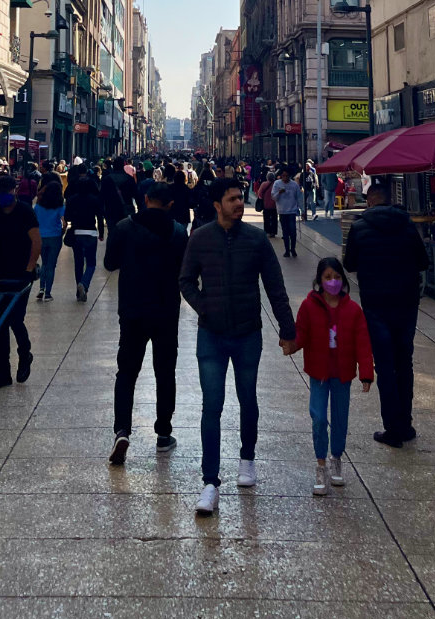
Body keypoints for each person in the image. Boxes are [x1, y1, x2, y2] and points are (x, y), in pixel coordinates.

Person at [179, 177, 296, 518]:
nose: (238, 203)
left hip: (247, 333)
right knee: (211, 405)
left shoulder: (256, 240)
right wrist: (204, 307)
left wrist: (288, 328)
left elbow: (275, 285)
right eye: (231, 199)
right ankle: (209, 482)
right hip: (211, 335)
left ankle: (247, 459)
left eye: (239, 198)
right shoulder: (201, 238)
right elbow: (185, 280)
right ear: (217, 205)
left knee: (248, 397)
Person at [105, 179, 187, 464]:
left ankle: (122, 431)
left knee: (126, 373)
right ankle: (163, 433)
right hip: (166, 311)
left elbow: (109, 263)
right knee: (165, 372)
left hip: (132, 310)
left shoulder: (124, 227)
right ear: (170, 204)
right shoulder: (178, 232)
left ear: (146, 198)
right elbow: (186, 271)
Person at [342, 177, 428, 447]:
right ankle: (406, 424)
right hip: (406, 301)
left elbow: (349, 264)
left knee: (385, 365)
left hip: (376, 303)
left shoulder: (359, 227)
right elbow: (423, 261)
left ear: (369, 201)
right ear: (389, 201)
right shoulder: (407, 225)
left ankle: (392, 427)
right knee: (404, 362)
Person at [284, 256, 373, 495]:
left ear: (343, 280)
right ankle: (321, 464)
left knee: (340, 418)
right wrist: (291, 344)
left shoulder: (353, 310)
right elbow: (301, 333)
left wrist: (366, 373)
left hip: (343, 374)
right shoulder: (309, 306)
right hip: (319, 372)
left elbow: (363, 343)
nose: (332, 281)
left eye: (336, 277)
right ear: (319, 280)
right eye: (327, 277)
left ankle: (336, 458)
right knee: (319, 417)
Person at [0, 173, 41, 389]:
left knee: (16, 319)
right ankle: (3, 372)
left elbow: (36, 241)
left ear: (14, 191)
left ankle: (25, 354)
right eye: (0, 193)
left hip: (21, 275)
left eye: (6, 193)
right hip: (0, 274)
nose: (3, 197)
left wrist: (29, 269)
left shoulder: (25, 212)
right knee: (0, 324)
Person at [64, 167, 105, 301]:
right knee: (91, 263)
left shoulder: (72, 200)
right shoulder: (94, 200)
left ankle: (79, 290)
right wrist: (101, 233)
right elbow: (100, 217)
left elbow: (67, 217)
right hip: (91, 232)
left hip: (76, 232)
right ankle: (84, 284)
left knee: (78, 263)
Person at [34, 174, 65, 301]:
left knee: (44, 263)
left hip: (41, 236)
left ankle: (41, 288)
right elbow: (64, 222)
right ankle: (48, 293)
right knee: (51, 265)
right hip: (55, 236)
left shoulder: (38, 206)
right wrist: (62, 231)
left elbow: (33, 221)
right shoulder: (60, 206)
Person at [271, 167, 303, 257]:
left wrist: (302, 210)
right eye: (283, 176)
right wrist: (279, 193)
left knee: (293, 231)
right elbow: (273, 197)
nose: (285, 178)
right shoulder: (277, 184)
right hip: (282, 211)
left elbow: (299, 198)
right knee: (285, 232)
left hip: (292, 211)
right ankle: (287, 250)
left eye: (287, 176)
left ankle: (293, 248)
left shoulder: (294, 185)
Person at [256, 169, 278, 240]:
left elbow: (259, 193)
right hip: (275, 205)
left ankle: (267, 231)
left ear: (267, 177)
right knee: (274, 218)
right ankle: (273, 232)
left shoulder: (264, 184)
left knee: (266, 218)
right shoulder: (276, 184)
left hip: (266, 204)